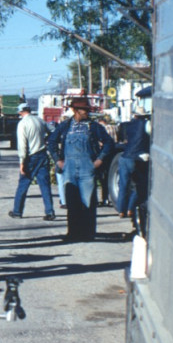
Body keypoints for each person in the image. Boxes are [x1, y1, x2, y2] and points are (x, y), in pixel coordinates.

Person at [47, 97, 114, 242]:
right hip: (69, 168)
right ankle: (73, 234)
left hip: (86, 168)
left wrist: (99, 160)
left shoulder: (94, 127)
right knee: (72, 203)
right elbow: (51, 142)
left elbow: (109, 143)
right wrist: (58, 160)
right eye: (85, 110)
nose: (87, 113)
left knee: (88, 202)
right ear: (75, 111)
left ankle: (88, 234)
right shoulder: (64, 126)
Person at [10, 102, 56, 221]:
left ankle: (17, 210)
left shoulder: (22, 124)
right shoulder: (39, 120)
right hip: (42, 155)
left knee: (23, 184)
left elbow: (22, 145)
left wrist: (22, 162)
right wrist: (46, 140)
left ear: (20, 112)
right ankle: (50, 211)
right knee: (45, 185)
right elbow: (53, 130)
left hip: (30, 157)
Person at [116, 105, 151, 227]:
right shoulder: (146, 125)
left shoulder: (127, 125)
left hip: (124, 156)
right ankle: (131, 209)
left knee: (123, 185)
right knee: (138, 186)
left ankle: (121, 210)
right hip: (137, 158)